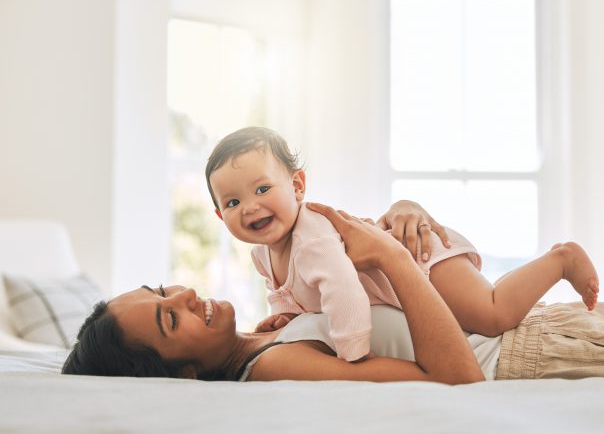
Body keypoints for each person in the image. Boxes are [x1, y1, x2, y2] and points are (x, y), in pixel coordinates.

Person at [62, 202, 604, 382]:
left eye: (162, 290)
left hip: (545, 324)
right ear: (180, 378)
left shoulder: (261, 332)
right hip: (529, 356)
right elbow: (459, 379)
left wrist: (404, 218)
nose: (182, 296)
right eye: (169, 319)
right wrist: (393, 257)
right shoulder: (273, 368)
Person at [204, 127, 599, 361]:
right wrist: (287, 319)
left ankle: (560, 259)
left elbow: (345, 296)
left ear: (297, 186)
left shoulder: (311, 238)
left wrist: (353, 353)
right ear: (221, 216)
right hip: (407, 282)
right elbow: (288, 294)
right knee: (469, 329)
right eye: (234, 202)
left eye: (262, 188)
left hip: (421, 258)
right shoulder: (263, 255)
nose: (251, 207)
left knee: (493, 314)